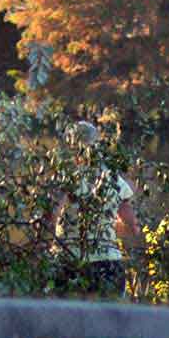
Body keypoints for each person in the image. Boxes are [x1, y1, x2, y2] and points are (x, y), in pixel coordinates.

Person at [51, 121, 140, 296]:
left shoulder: (65, 180)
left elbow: (51, 219)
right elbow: (132, 228)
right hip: (108, 264)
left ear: (71, 147)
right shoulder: (115, 181)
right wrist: (103, 229)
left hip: (69, 260)